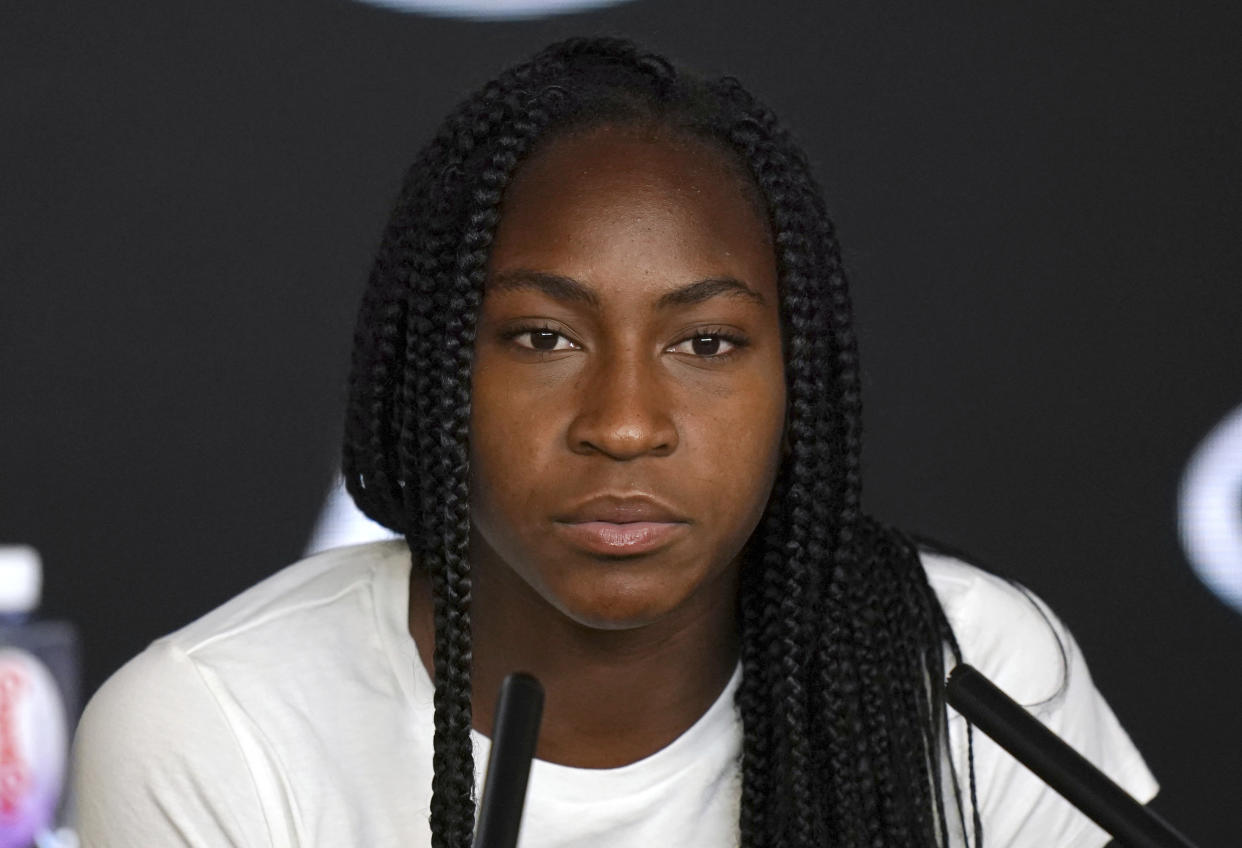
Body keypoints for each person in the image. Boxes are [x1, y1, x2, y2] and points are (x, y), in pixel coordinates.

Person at [71, 37, 1158, 847]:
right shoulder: (211, 728)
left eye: (706, 341)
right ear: (434, 365)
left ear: (800, 380)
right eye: (543, 336)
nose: (626, 422)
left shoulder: (965, 668)